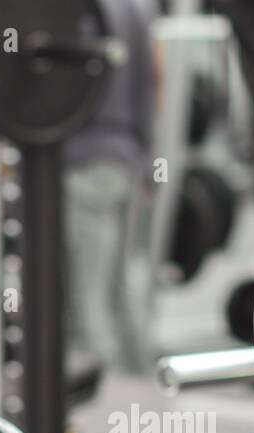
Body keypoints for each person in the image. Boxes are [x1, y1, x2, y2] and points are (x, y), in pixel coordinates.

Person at [62, 0, 161, 372]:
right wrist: (147, 154)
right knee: (122, 288)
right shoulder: (137, 7)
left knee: (86, 302)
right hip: (125, 160)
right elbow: (156, 73)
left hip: (82, 164)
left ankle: (100, 408)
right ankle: (143, 391)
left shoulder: (69, 10)